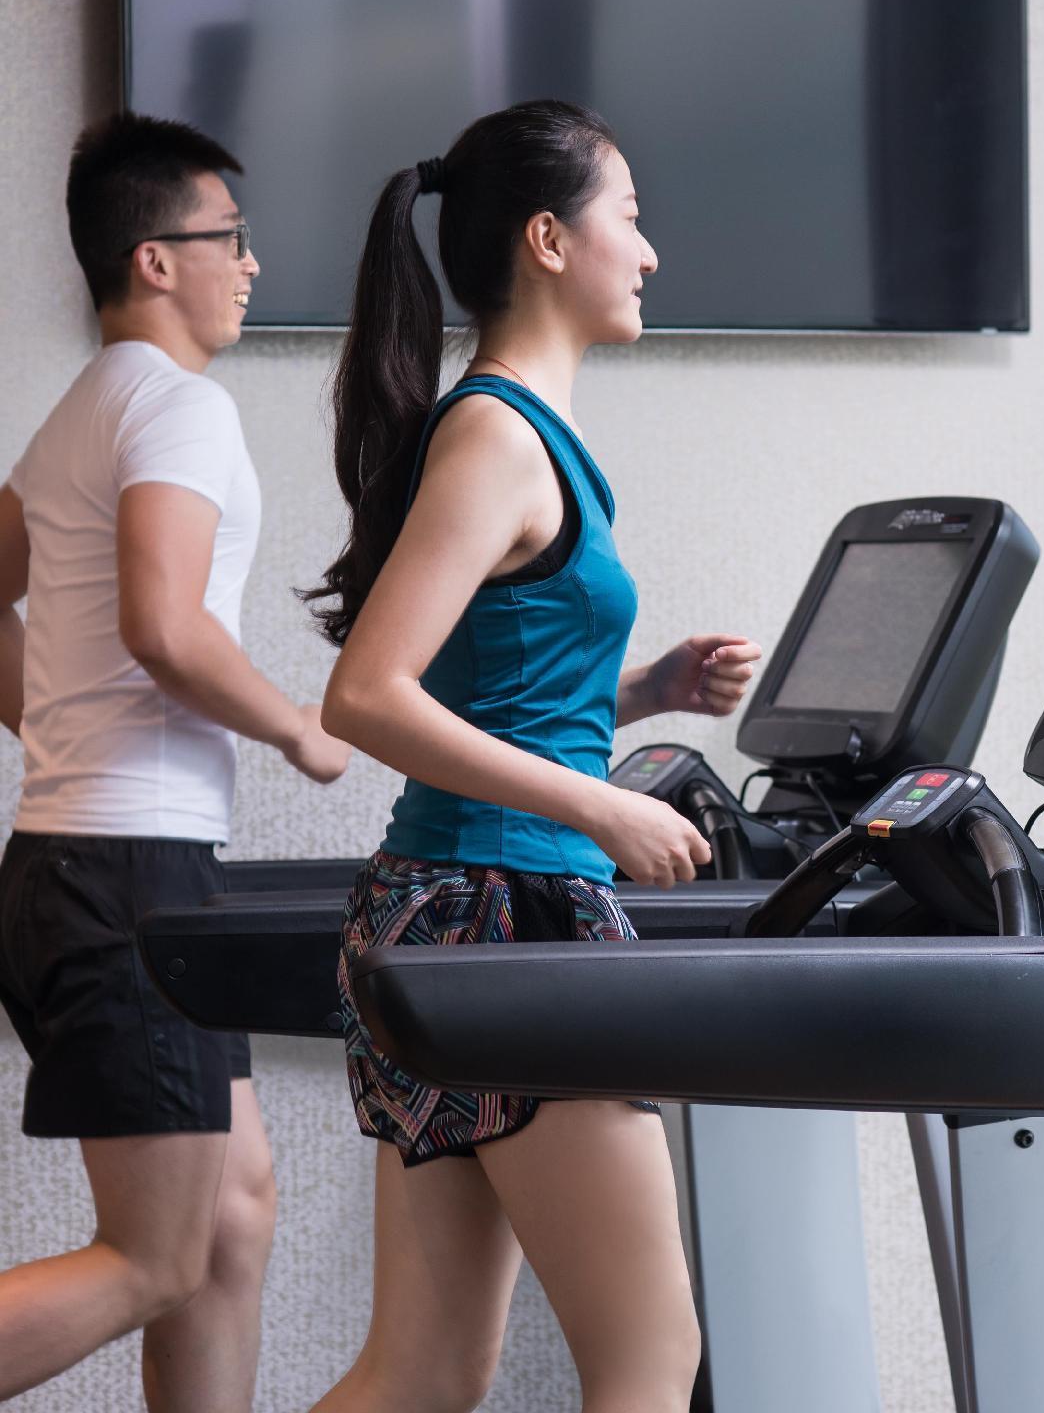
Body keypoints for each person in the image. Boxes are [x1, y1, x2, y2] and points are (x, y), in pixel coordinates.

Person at [305, 100, 759, 1413]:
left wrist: (639, 693)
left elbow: (486, 690)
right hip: (509, 920)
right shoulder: (497, 435)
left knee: (425, 1370)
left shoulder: (517, 436)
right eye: (629, 217)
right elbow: (367, 696)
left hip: (458, 912)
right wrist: (598, 807)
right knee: (648, 1363)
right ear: (551, 239)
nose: (651, 252)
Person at [0, 111, 352, 1408]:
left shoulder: (79, 411)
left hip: (77, 866)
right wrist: (293, 724)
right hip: (130, 878)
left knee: (235, 1213)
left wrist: (53, 725)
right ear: (157, 260)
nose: (251, 265)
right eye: (230, 240)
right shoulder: (177, 406)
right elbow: (163, 624)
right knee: (154, 1259)